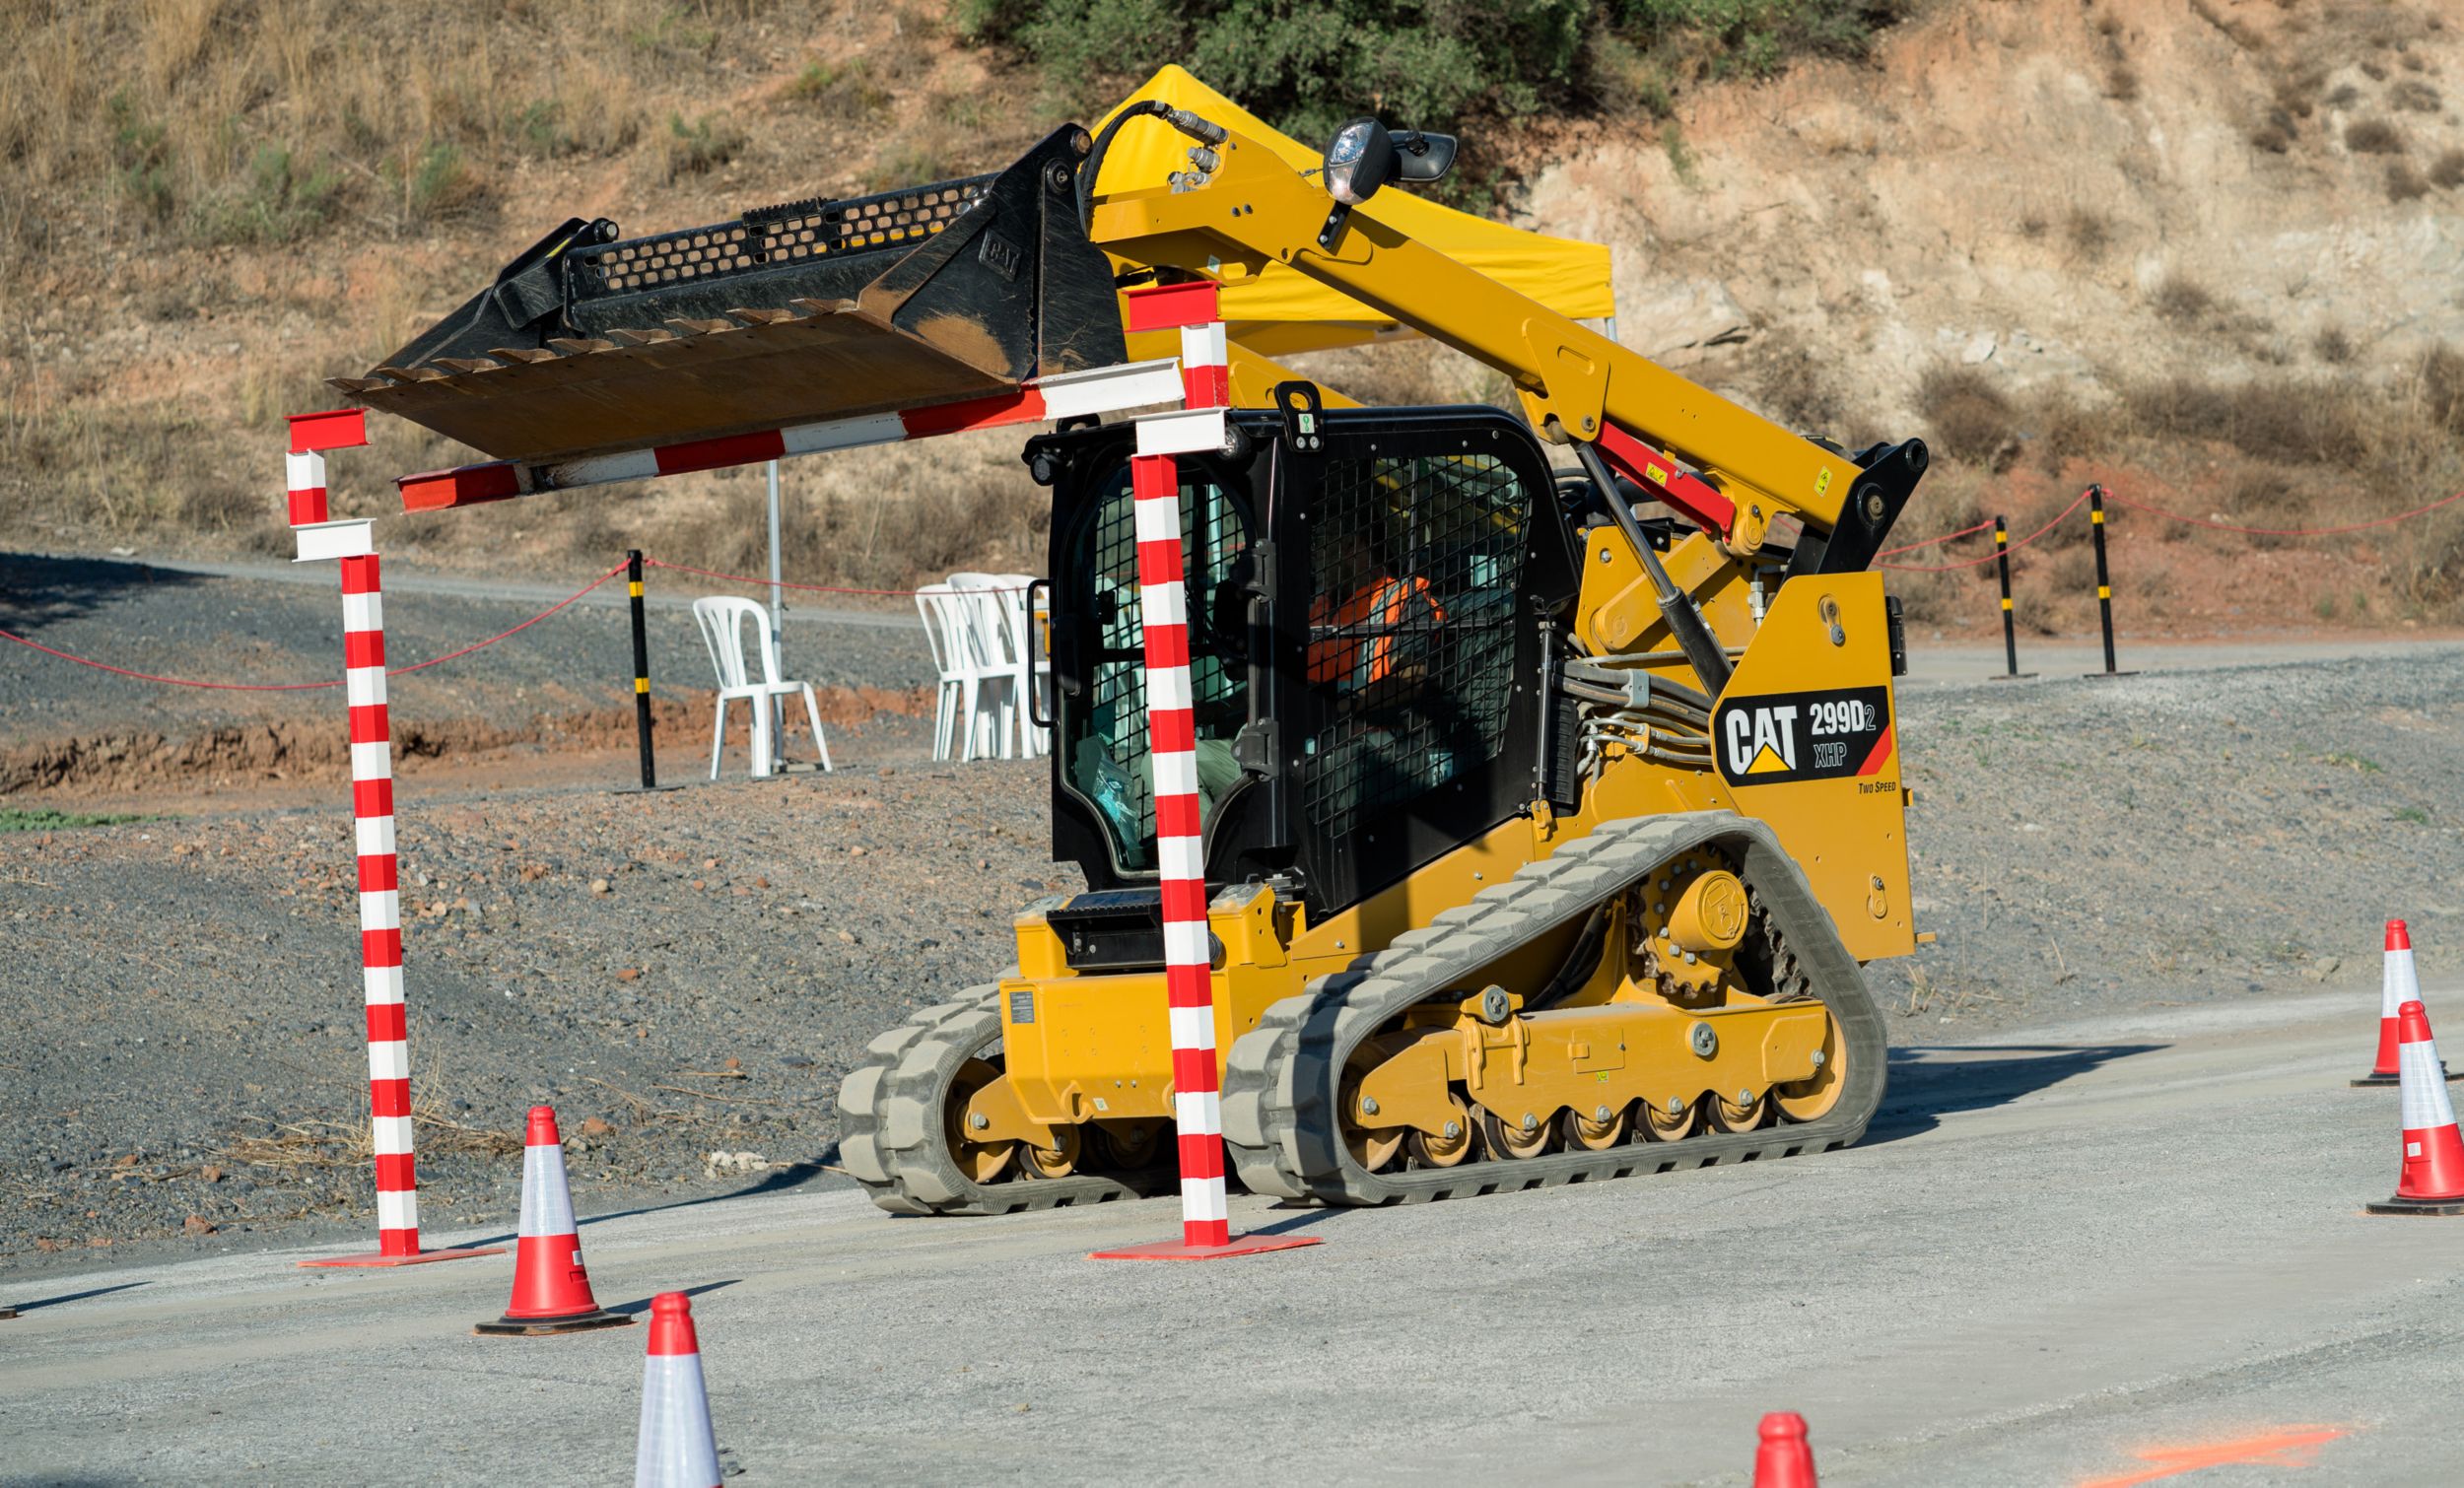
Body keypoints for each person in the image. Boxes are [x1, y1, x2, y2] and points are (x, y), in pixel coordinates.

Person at [1308, 528, 1446, 695]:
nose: (1317, 560)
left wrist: (1349, 708)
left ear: (1354, 546)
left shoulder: (1404, 598)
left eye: (1322, 547)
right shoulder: (1317, 611)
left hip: (1376, 717)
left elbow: (1412, 677)